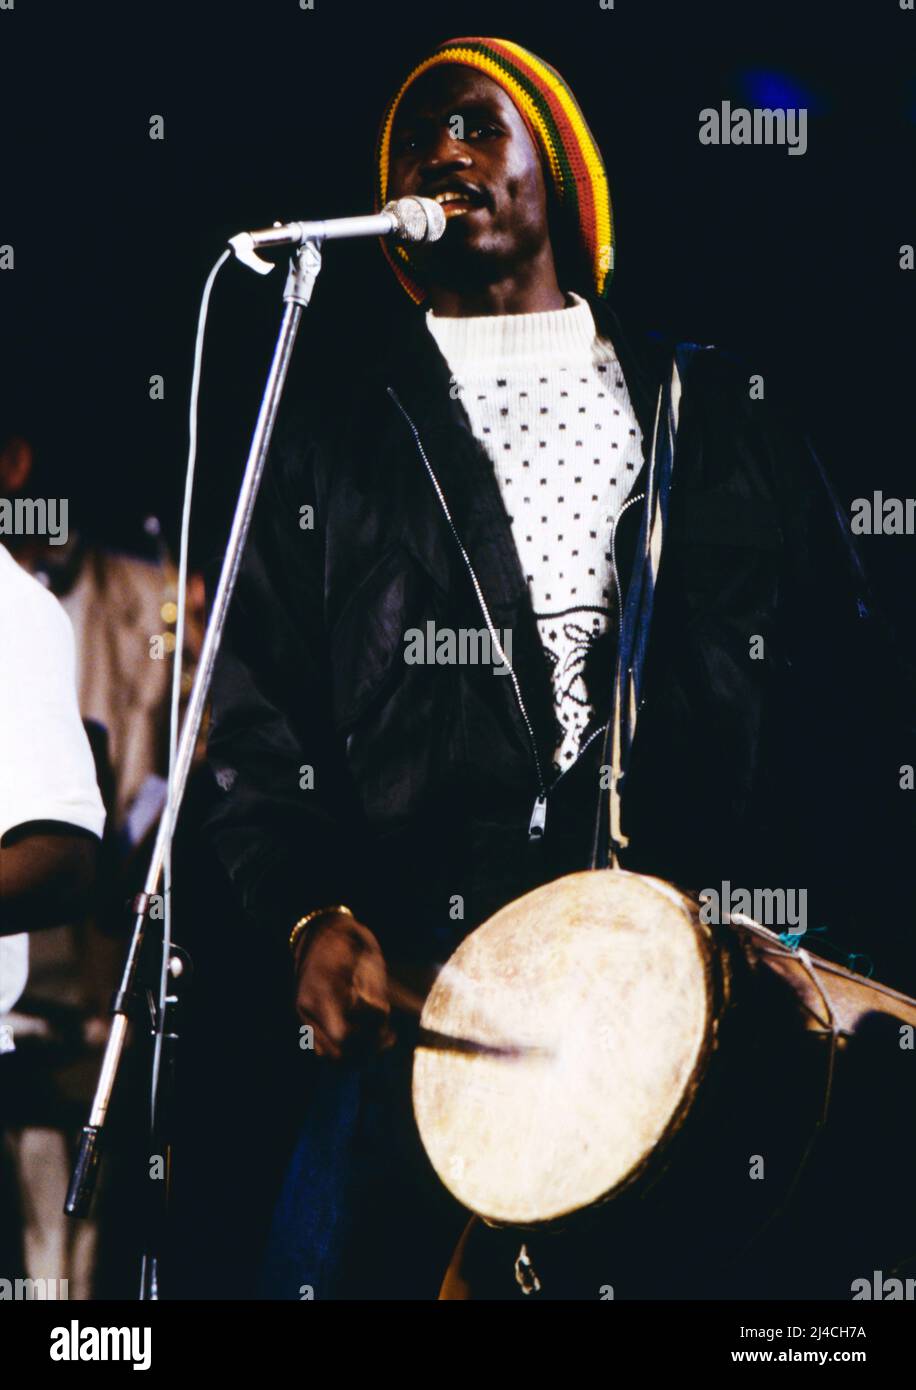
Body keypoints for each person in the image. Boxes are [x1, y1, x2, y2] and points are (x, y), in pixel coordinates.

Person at [205, 37, 914, 1298]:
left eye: (480, 124)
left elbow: (844, 702)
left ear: (563, 180)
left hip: (701, 1005)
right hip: (434, 1011)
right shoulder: (330, 450)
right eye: (419, 141)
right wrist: (312, 912)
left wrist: (817, 941)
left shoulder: (720, 413)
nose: (442, 151)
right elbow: (258, 731)